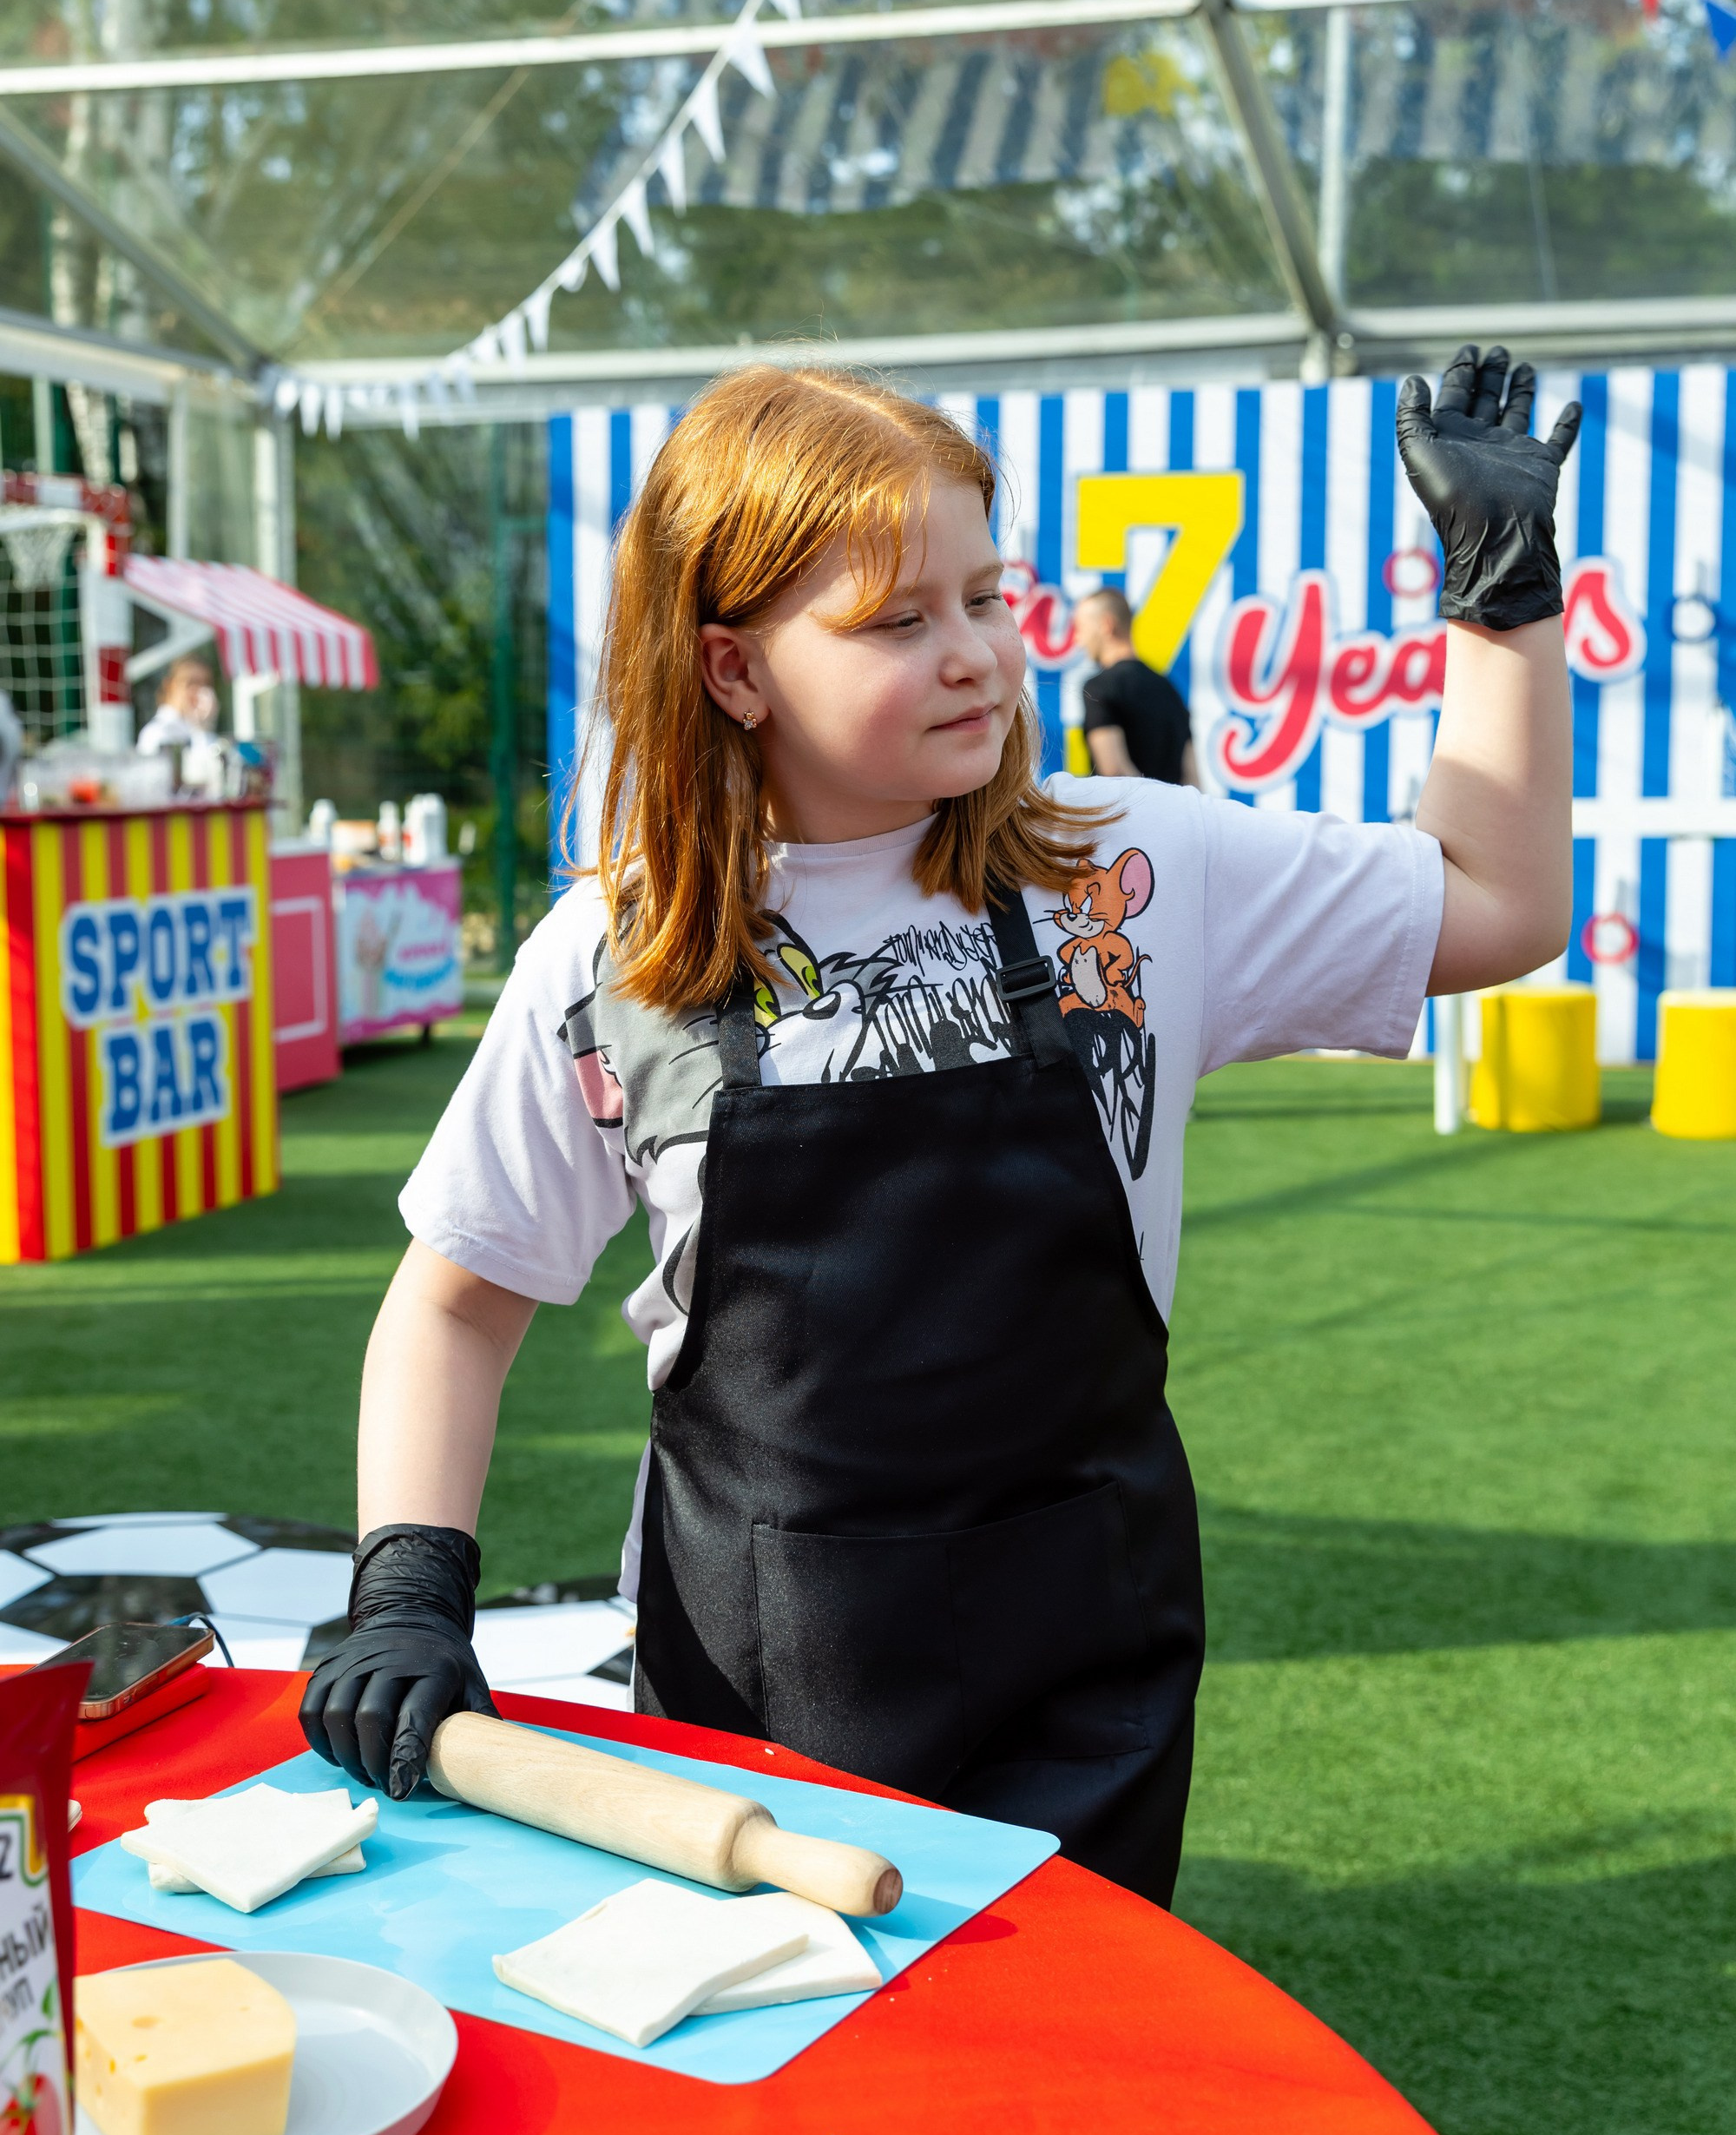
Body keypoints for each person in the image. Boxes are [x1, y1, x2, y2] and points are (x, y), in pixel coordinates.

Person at [301, 346, 1577, 1908]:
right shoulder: (618, 957)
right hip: (758, 1691)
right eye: (900, 620)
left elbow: (1502, 908)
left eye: (988, 597)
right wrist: (408, 1589)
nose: (976, 653)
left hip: (1089, 1668)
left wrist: (1504, 601)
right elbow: (454, 1301)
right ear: (732, 668)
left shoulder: (1132, 871)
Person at [1075, 587, 1199, 785]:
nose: (1078, 639)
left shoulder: (1099, 687)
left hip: (1128, 814)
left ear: (1107, 625)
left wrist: (1152, 812)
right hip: (1174, 813)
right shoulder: (1170, 689)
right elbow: (1193, 778)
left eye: (1081, 628)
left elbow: (1114, 771)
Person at [136, 654, 220, 757]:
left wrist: (204, 729)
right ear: (170, 686)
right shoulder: (156, 733)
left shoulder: (199, 729)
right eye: (192, 683)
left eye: (206, 684)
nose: (200, 691)